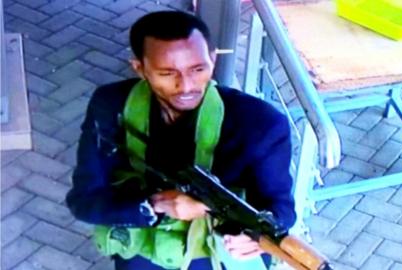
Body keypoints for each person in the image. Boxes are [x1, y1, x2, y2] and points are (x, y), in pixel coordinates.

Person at [66, 10, 296, 270]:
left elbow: (282, 210)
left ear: (212, 58)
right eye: (167, 73)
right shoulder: (112, 105)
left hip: (218, 254)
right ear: (140, 68)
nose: (186, 85)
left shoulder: (260, 123)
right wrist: (154, 205)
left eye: (198, 69)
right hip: (144, 245)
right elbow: (83, 201)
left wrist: (254, 239)